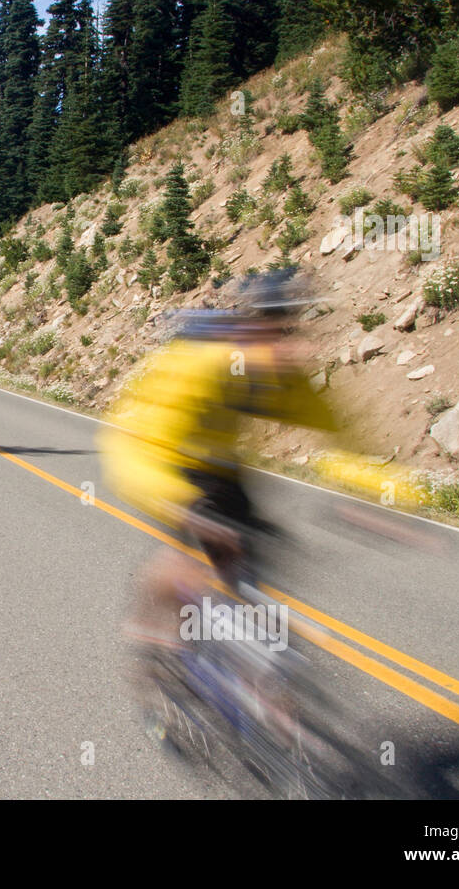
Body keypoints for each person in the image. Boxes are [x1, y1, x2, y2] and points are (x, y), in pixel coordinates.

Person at [97, 269, 338, 648]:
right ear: (248, 330)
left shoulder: (278, 372)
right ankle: (148, 625)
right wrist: (177, 505)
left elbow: (343, 432)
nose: (285, 345)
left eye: (290, 331)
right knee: (191, 558)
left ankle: (253, 666)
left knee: (249, 556)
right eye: (272, 330)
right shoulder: (202, 365)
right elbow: (139, 450)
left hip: (219, 466)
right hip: (156, 455)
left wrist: (387, 497)